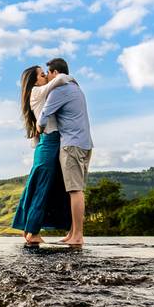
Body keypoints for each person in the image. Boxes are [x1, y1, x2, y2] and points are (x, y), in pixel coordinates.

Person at [11, 65, 72, 246]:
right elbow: (60, 79)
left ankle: (29, 229)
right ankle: (33, 233)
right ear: (35, 80)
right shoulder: (37, 91)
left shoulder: (38, 93)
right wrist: (69, 78)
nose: (46, 77)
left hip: (48, 144)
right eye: (43, 74)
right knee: (42, 188)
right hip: (49, 143)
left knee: (41, 186)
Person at [37, 58, 93, 247]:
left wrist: (39, 128)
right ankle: (72, 233)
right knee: (77, 189)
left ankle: (77, 235)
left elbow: (44, 115)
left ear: (54, 73)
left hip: (71, 144)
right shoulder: (77, 88)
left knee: (74, 190)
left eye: (48, 74)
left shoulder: (60, 89)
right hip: (85, 143)